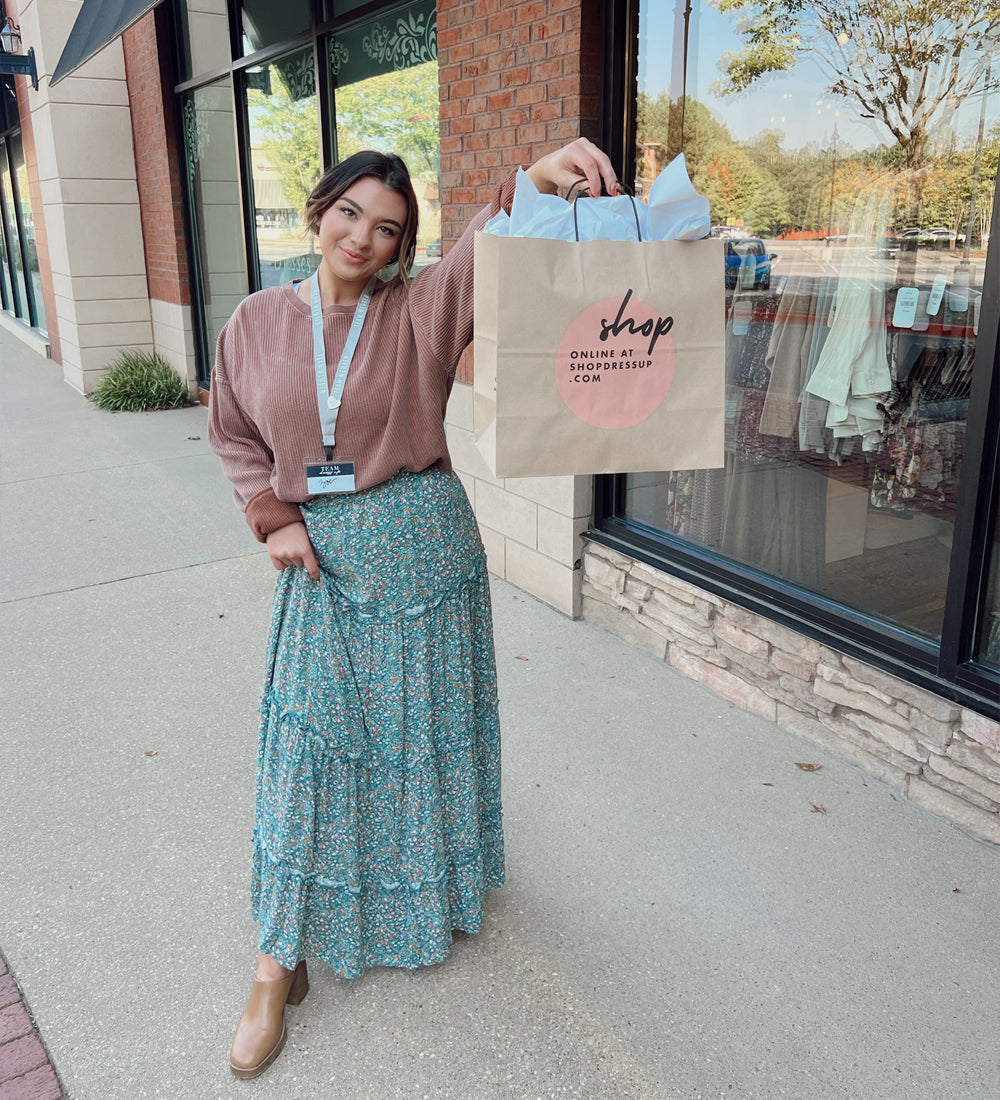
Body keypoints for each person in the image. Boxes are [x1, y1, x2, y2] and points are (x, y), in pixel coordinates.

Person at [208, 137, 619, 1080]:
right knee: (310, 752)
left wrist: (536, 177)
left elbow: (483, 244)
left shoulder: (418, 311)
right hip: (321, 563)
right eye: (350, 212)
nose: (363, 237)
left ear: (400, 249)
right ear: (319, 213)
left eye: (387, 228)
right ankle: (276, 965)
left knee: (416, 739)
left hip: (425, 553)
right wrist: (271, 517)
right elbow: (232, 429)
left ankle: (420, 896)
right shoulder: (255, 322)